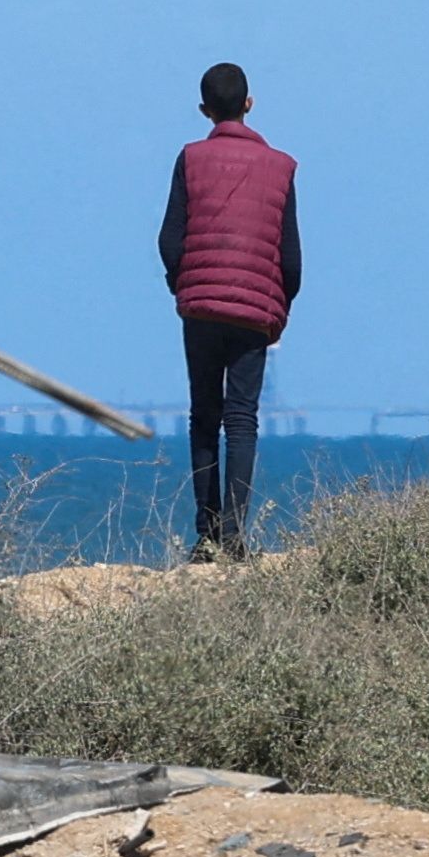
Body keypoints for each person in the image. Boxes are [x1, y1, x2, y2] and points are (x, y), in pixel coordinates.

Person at [156, 62, 302, 556]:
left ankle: (205, 533)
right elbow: (291, 257)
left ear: (204, 110)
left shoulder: (190, 158)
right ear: (249, 103)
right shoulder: (282, 166)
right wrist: (278, 308)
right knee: (242, 418)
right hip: (253, 312)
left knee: (204, 415)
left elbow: (170, 239)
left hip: (199, 308)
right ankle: (236, 536)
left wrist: (184, 287)